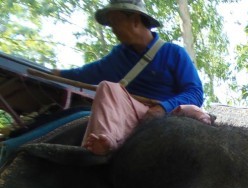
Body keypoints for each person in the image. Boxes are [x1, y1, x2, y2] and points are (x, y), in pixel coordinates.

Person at [55, 0, 210, 155]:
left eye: (115, 22)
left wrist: (164, 107)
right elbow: (86, 74)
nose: (113, 30)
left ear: (135, 21)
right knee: (107, 87)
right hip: (131, 115)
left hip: (169, 115)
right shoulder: (118, 56)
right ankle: (103, 141)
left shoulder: (174, 53)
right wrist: (59, 74)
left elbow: (195, 93)